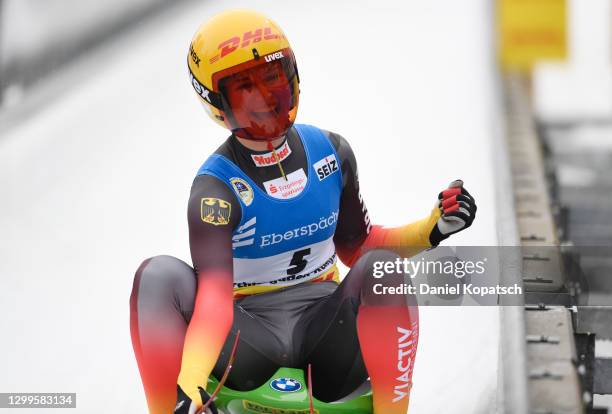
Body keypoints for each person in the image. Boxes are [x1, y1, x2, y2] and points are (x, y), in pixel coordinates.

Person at [129, 9, 477, 414]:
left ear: (292, 75)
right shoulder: (215, 190)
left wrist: (431, 229)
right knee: (157, 275)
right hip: (248, 347)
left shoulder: (332, 152)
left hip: (326, 339)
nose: (263, 100)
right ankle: (170, 408)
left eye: (271, 78)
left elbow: (359, 249)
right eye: (245, 88)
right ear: (217, 102)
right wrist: (191, 378)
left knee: (383, 268)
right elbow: (214, 300)